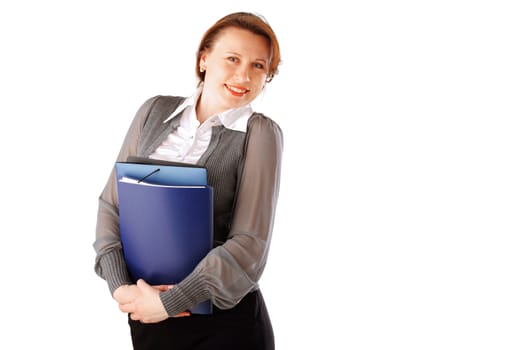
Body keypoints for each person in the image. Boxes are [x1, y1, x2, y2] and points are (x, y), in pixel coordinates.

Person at [93, 11, 283, 350]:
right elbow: (112, 204)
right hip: (147, 315)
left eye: (258, 66)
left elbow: (250, 242)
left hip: (223, 324)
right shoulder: (153, 112)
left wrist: (172, 301)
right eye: (233, 59)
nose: (244, 75)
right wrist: (121, 286)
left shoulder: (260, 134)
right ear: (204, 58)